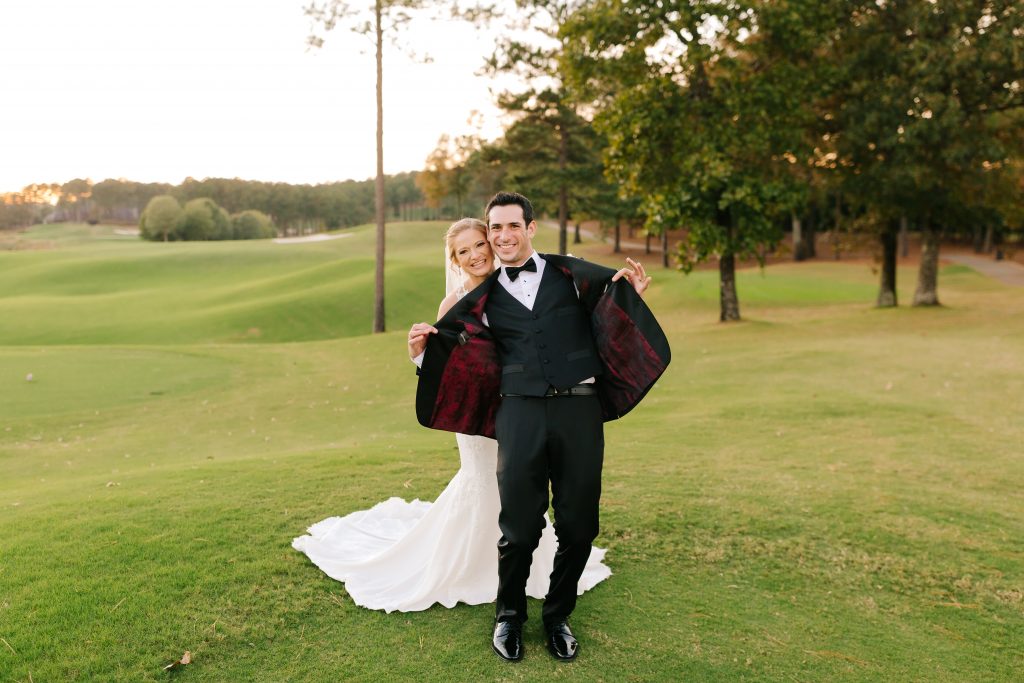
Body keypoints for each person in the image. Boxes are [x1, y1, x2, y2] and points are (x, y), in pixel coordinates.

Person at [291, 218, 612, 613]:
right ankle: (474, 569)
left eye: (480, 244)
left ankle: (535, 568)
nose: (475, 255)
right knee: (487, 483)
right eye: (464, 251)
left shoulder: (522, 286)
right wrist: (420, 354)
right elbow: (448, 366)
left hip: (528, 407)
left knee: (525, 493)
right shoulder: (454, 304)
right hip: (480, 410)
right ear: (455, 260)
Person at [410, 192, 670, 662]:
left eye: (512, 226)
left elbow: (612, 300)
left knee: (578, 524)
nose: (503, 236)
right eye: (495, 229)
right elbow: (457, 355)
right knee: (519, 526)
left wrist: (629, 295)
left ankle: (557, 617)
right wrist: (422, 353)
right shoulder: (479, 297)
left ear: (531, 228)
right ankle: (508, 615)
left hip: (580, 411)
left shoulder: (571, 273)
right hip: (520, 414)